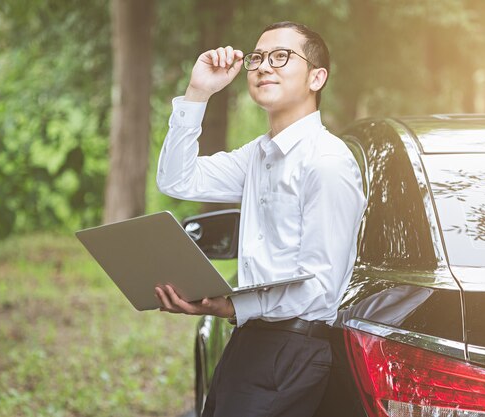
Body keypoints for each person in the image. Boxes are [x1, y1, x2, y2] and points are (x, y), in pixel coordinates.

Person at [155, 21, 366, 417]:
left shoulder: (327, 163)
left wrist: (229, 307)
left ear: (317, 77)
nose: (264, 66)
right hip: (250, 342)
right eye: (257, 58)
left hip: (293, 349)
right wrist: (199, 92)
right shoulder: (258, 155)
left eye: (281, 56)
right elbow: (176, 179)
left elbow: (320, 288)